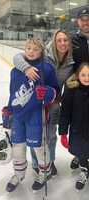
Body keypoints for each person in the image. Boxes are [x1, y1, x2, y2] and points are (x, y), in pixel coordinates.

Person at [13, 29, 75, 176]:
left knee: (51, 135)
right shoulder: (45, 54)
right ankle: (36, 163)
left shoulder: (71, 61)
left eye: (65, 40)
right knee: (37, 134)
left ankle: (50, 161)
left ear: (69, 42)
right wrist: (26, 67)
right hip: (36, 101)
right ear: (54, 41)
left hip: (53, 101)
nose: (62, 43)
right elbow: (17, 57)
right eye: (59, 40)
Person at [3, 38, 59, 192]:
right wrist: (8, 109)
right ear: (24, 49)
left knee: (39, 147)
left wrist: (47, 93)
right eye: (28, 48)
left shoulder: (46, 69)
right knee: (18, 147)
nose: (31, 51)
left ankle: (44, 172)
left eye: (35, 49)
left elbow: (55, 90)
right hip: (18, 116)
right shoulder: (15, 70)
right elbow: (12, 92)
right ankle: (19, 174)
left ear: (41, 51)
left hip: (36, 115)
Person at [59, 62, 89, 190]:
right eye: (83, 75)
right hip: (77, 130)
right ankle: (84, 170)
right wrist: (63, 132)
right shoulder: (71, 90)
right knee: (81, 151)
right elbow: (65, 112)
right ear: (77, 76)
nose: (87, 78)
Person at [68, 6, 89, 170]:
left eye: (88, 19)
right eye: (83, 20)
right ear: (78, 22)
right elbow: (49, 52)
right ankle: (80, 155)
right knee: (79, 124)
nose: (86, 22)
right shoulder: (71, 40)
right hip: (77, 91)